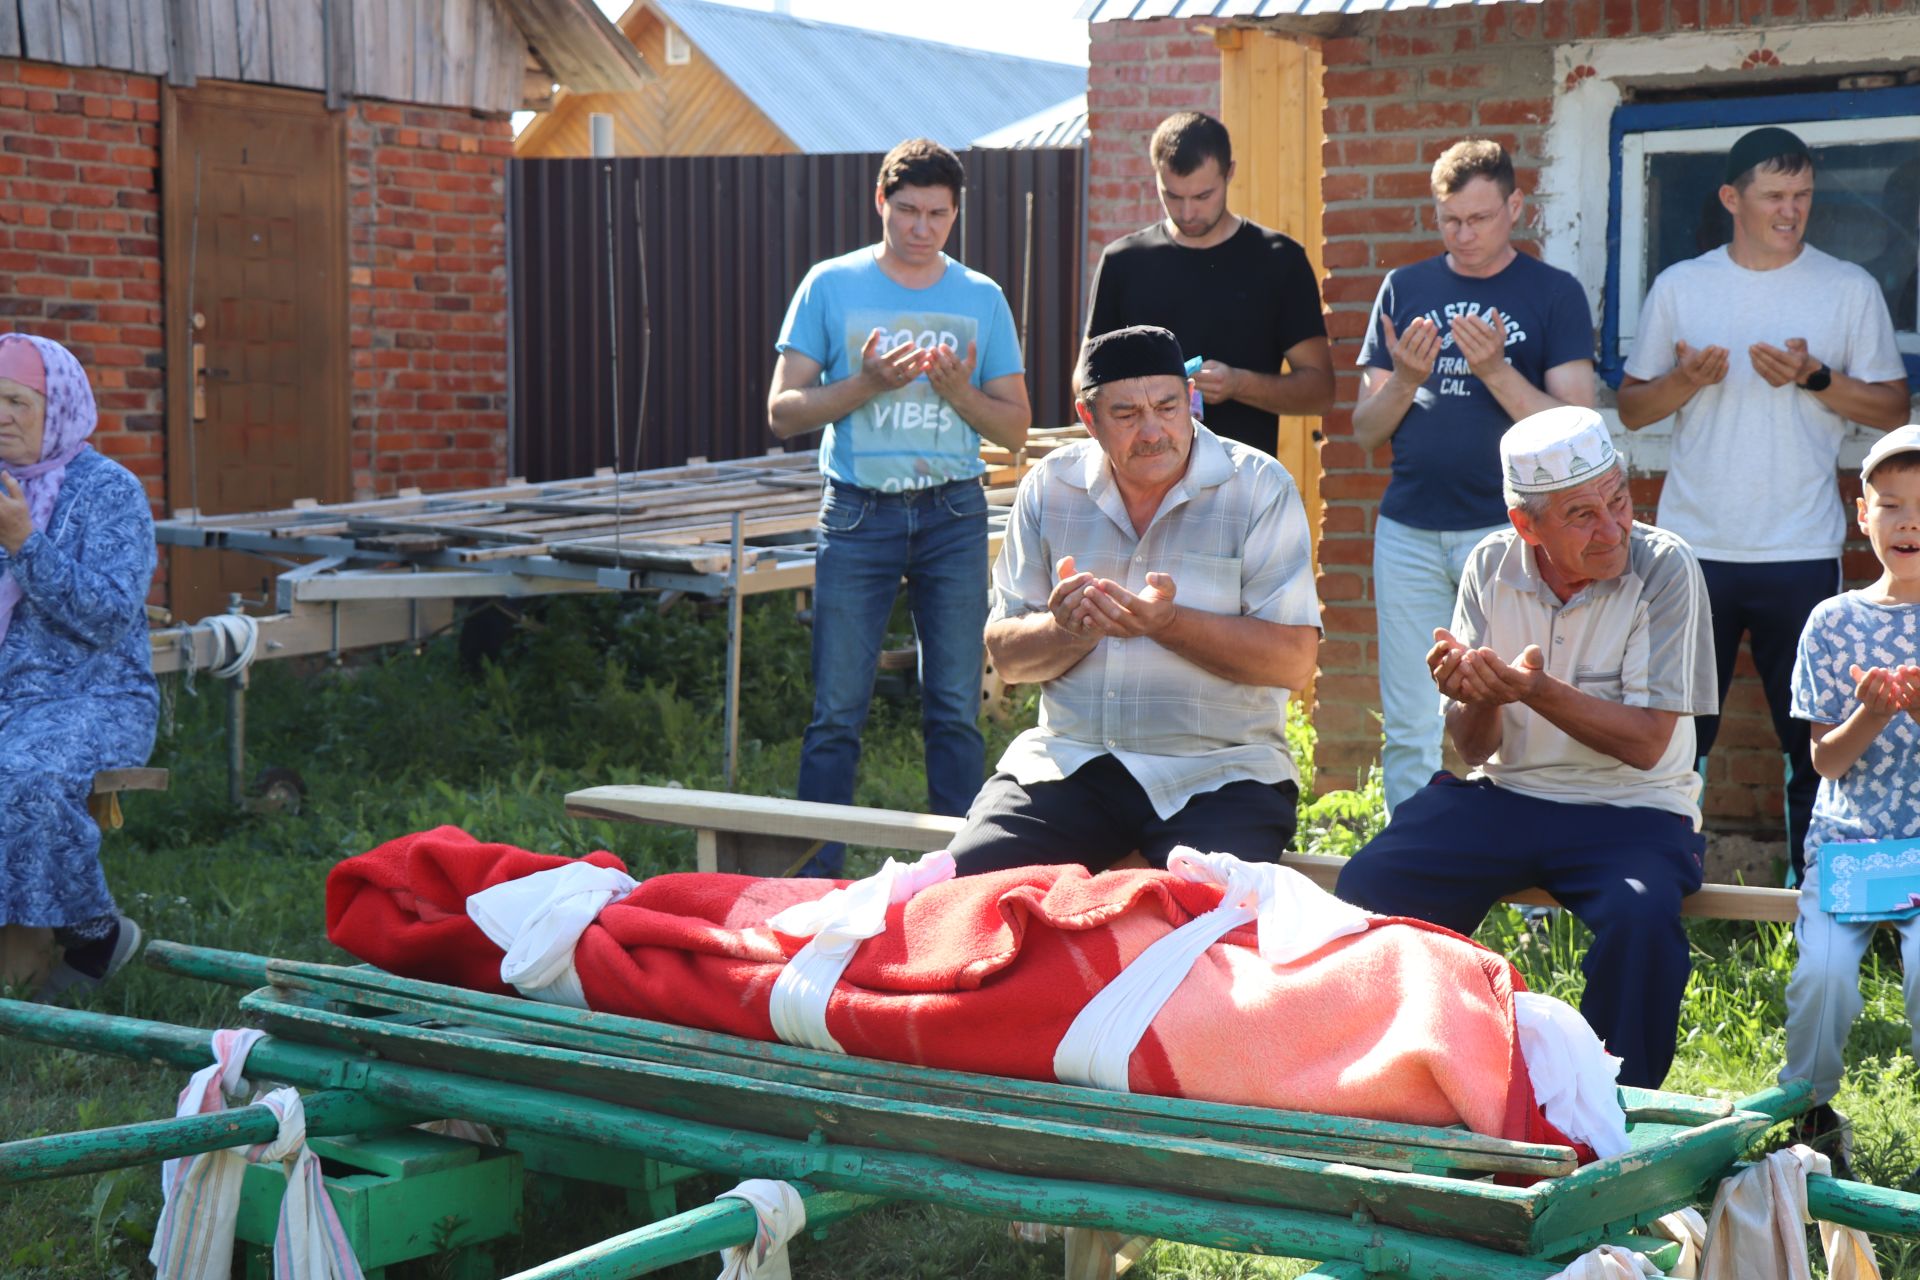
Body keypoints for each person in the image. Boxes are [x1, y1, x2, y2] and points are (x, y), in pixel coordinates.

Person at [1336, 406, 1716, 1089]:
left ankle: (1611, 1110)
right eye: (1582, 515)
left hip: (1635, 809)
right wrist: (1477, 693)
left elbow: (1648, 742)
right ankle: (1407, 1074)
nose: (1613, 528)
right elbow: (1473, 749)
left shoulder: (1666, 567)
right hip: (1508, 795)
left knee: (1642, 917)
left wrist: (1533, 690)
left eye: (1619, 500)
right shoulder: (1489, 563)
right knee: (1370, 885)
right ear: (1526, 525)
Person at [1618, 126, 1911, 884]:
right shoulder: (1682, 285)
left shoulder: (1847, 288)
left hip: (1801, 548)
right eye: (1776, 195)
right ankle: (1666, 885)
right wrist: (1686, 381)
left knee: (1811, 738)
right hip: (1693, 548)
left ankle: (1822, 897)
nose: (1793, 210)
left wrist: (1815, 378)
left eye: (1804, 195)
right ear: (1731, 198)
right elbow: (1633, 408)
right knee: (1684, 736)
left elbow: (1890, 409)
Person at [945, 325, 1320, 874]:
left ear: (1190, 399)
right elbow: (1006, 656)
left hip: (1221, 772)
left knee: (1185, 918)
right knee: (970, 889)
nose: (1152, 431)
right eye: (1126, 415)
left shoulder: (1259, 486)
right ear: (1088, 418)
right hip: (1071, 765)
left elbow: (1293, 662)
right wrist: (1068, 629)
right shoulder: (1050, 485)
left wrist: (1168, 624)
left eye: (1168, 407)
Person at [767, 139, 1031, 877]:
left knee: (954, 707)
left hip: (952, 513)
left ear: (957, 212)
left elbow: (1012, 428)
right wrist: (869, 382)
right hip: (856, 513)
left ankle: (964, 879)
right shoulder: (831, 284)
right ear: (880, 202)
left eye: (938, 215)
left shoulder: (980, 297)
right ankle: (816, 879)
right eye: (908, 211)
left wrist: (957, 393)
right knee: (836, 713)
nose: (922, 228)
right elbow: (784, 411)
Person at [1354, 138, 1596, 817]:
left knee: (1513, 711)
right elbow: (1367, 429)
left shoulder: (1553, 293)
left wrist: (1495, 369)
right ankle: (1407, 866)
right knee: (1409, 717)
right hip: (1409, 528)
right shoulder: (1406, 288)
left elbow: (1578, 431)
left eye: (1479, 219)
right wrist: (1404, 377)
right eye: (1449, 220)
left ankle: (1520, 889)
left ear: (1515, 207)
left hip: (1509, 529)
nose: (1462, 235)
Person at [1776, 424, 1920, 1177]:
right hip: (1852, 844)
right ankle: (1809, 1114)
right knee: (1823, 979)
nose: (1909, 524)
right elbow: (1825, 759)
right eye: (1890, 505)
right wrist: (1876, 711)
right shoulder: (1833, 623)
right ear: (1860, 514)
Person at [0, 333, 157, 999]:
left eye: (16, 400)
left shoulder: (108, 492)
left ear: (58, 407)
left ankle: (92, 931)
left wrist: (24, 544)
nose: (1, 415)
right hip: (11, 696)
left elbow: (111, 614)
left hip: (96, 696)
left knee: (28, 775)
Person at [1084, 111, 1333, 452]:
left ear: (1230, 172)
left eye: (1202, 196)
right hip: (1140, 479)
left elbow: (1320, 392)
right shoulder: (1122, 261)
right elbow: (1085, 376)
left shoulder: (1279, 259)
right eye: (1172, 195)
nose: (1187, 213)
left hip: (1241, 481)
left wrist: (1238, 384)